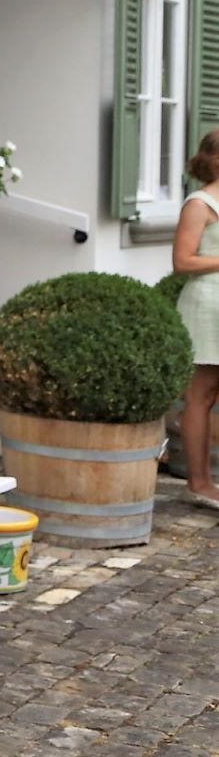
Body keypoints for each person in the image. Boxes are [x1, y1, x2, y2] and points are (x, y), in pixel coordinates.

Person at [174, 128, 219, 510]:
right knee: (200, 396)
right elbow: (183, 261)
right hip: (208, 307)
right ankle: (200, 483)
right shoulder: (199, 204)